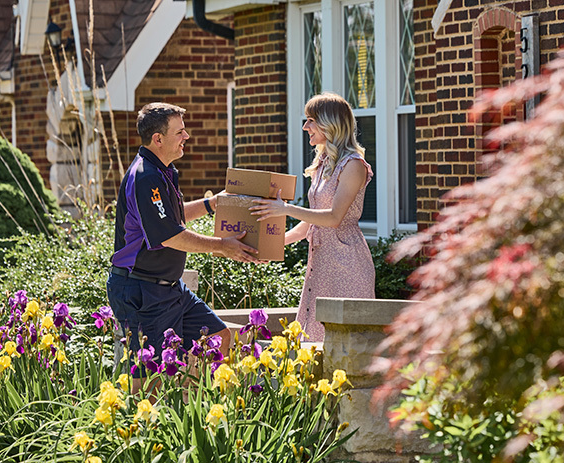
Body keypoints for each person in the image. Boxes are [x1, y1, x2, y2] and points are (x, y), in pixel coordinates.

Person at [107, 102, 259, 394]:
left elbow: (169, 217)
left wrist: (210, 205)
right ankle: (142, 430)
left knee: (217, 337)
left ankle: (184, 410)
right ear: (158, 139)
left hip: (168, 288)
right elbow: (169, 235)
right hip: (141, 291)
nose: (186, 136)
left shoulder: (163, 170)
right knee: (146, 379)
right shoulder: (146, 176)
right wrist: (222, 247)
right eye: (179, 132)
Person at [249, 92, 375, 342]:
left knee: (346, 344)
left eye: (311, 120)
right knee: (313, 340)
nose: (305, 127)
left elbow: (334, 217)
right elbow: (311, 222)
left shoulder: (353, 165)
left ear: (330, 123)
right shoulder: (323, 164)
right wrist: (268, 248)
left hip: (346, 264)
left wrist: (285, 209)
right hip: (320, 264)